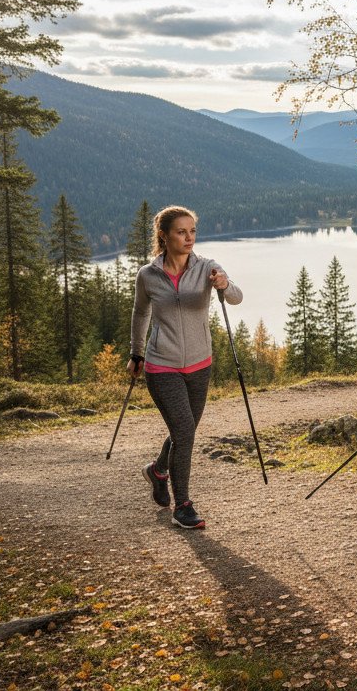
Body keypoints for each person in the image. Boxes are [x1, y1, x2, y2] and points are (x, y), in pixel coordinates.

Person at [128, 205, 242, 530]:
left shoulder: (207, 267)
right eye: (181, 231)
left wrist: (223, 284)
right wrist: (136, 354)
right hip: (161, 366)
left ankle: (158, 470)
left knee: (184, 432)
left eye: (192, 231)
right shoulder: (148, 275)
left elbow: (236, 297)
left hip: (199, 366)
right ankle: (184, 506)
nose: (189, 237)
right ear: (164, 236)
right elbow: (140, 314)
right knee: (184, 431)